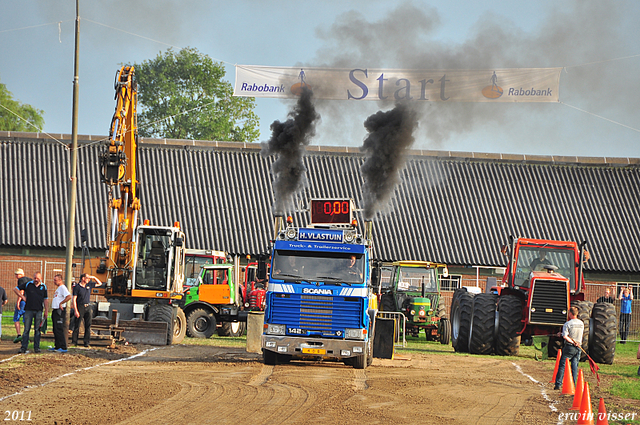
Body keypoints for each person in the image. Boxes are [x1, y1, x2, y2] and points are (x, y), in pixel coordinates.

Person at [13, 272, 48, 354]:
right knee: (26, 329)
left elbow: (45, 299)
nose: (35, 280)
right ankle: (23, 347)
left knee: (37, 330)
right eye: (34, 278)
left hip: (39, 310)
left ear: (41, 278)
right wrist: (22, 297)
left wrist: (46, 310)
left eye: (37, 278)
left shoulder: (43, 287)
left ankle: (37, 347)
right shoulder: (28, 284)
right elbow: (15, 289)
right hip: (28, 310)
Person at [554, 306, 584, 390]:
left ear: (570, 314)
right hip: (579, 346)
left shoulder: (568, 324)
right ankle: (573, 385)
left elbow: (565, 336)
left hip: (570, 347)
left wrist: (571, 341)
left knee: (562, 365)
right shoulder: (581, 323)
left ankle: (558, 384)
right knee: (574, 366)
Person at [71, 273, 103, 347]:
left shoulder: (89, 285)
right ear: (83, 278)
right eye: (87, 278)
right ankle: (74, 341)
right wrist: (76, 310)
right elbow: (74, 299)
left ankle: (86, 342)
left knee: (88, 325)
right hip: (80, 306)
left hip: (88, 306)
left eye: (89, 278)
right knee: (77, 325)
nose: (89, 279)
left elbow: (100, 283)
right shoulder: (77, 287)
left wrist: (93, 277)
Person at [49, 274, 71, 352]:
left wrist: (61, 303)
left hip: (59, 311)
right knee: (55, 329)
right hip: (55, 310)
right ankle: (57, 346)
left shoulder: (62, 288)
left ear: (60, 280)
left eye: (55, 280)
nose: (54, 281)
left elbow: (69, 296)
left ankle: (63, 347)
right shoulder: (58, 289)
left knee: (59, 328)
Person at [13, 269, 29, 343]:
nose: (16, 276)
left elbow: (22, 291)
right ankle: (26, 335)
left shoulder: (21, 280)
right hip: (28, 302)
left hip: (23, 301)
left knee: (16, 318)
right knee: (26, 319)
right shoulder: (29, 280)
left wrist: (18, 301)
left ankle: (19, 335)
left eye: (17, 274)